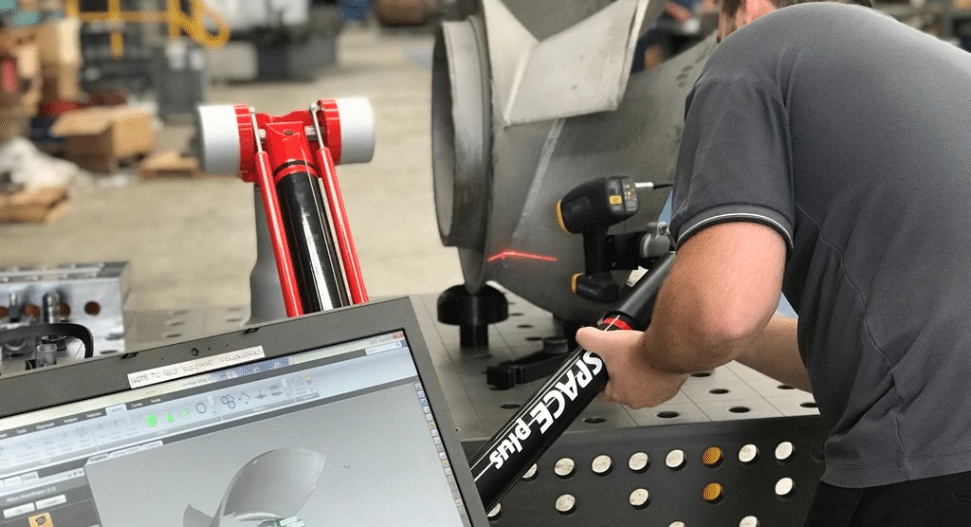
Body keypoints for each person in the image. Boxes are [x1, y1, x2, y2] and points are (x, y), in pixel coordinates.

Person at [575, 0, 971, 524]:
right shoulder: (950, 69)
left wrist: (654, 360)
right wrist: (689, 329)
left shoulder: (755, 50)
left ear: (750, 8)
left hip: (928, 470)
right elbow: (881, 352)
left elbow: (722, 315)